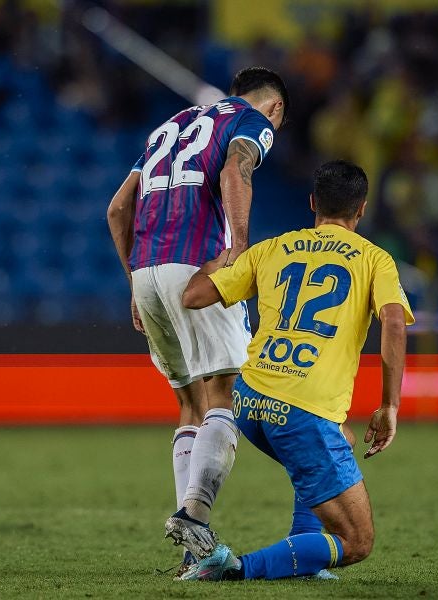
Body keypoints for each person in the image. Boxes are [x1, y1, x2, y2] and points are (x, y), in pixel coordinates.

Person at [176, 159, 414, 580]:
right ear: (361, 210)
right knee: (357, 541)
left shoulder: (272, 248)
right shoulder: (375, 260)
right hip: (302, 411)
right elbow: (394, 322)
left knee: (333, 440)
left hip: (248, 401)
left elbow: (193, 296)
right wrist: (389, 405)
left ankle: (303, 560)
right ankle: (230, 567)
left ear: (311, 203)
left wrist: (222, 259)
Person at [106, 67, 288, 569]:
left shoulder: (171, 126)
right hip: (198, 266)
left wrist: (135, 283)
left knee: (189, 403)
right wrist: (238, 247)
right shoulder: (253, 120)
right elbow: (236, 171)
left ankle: (193, 551)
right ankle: (195, 517)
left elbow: (117, 210)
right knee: (223, 395)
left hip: (146, 271)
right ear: (274, 109)